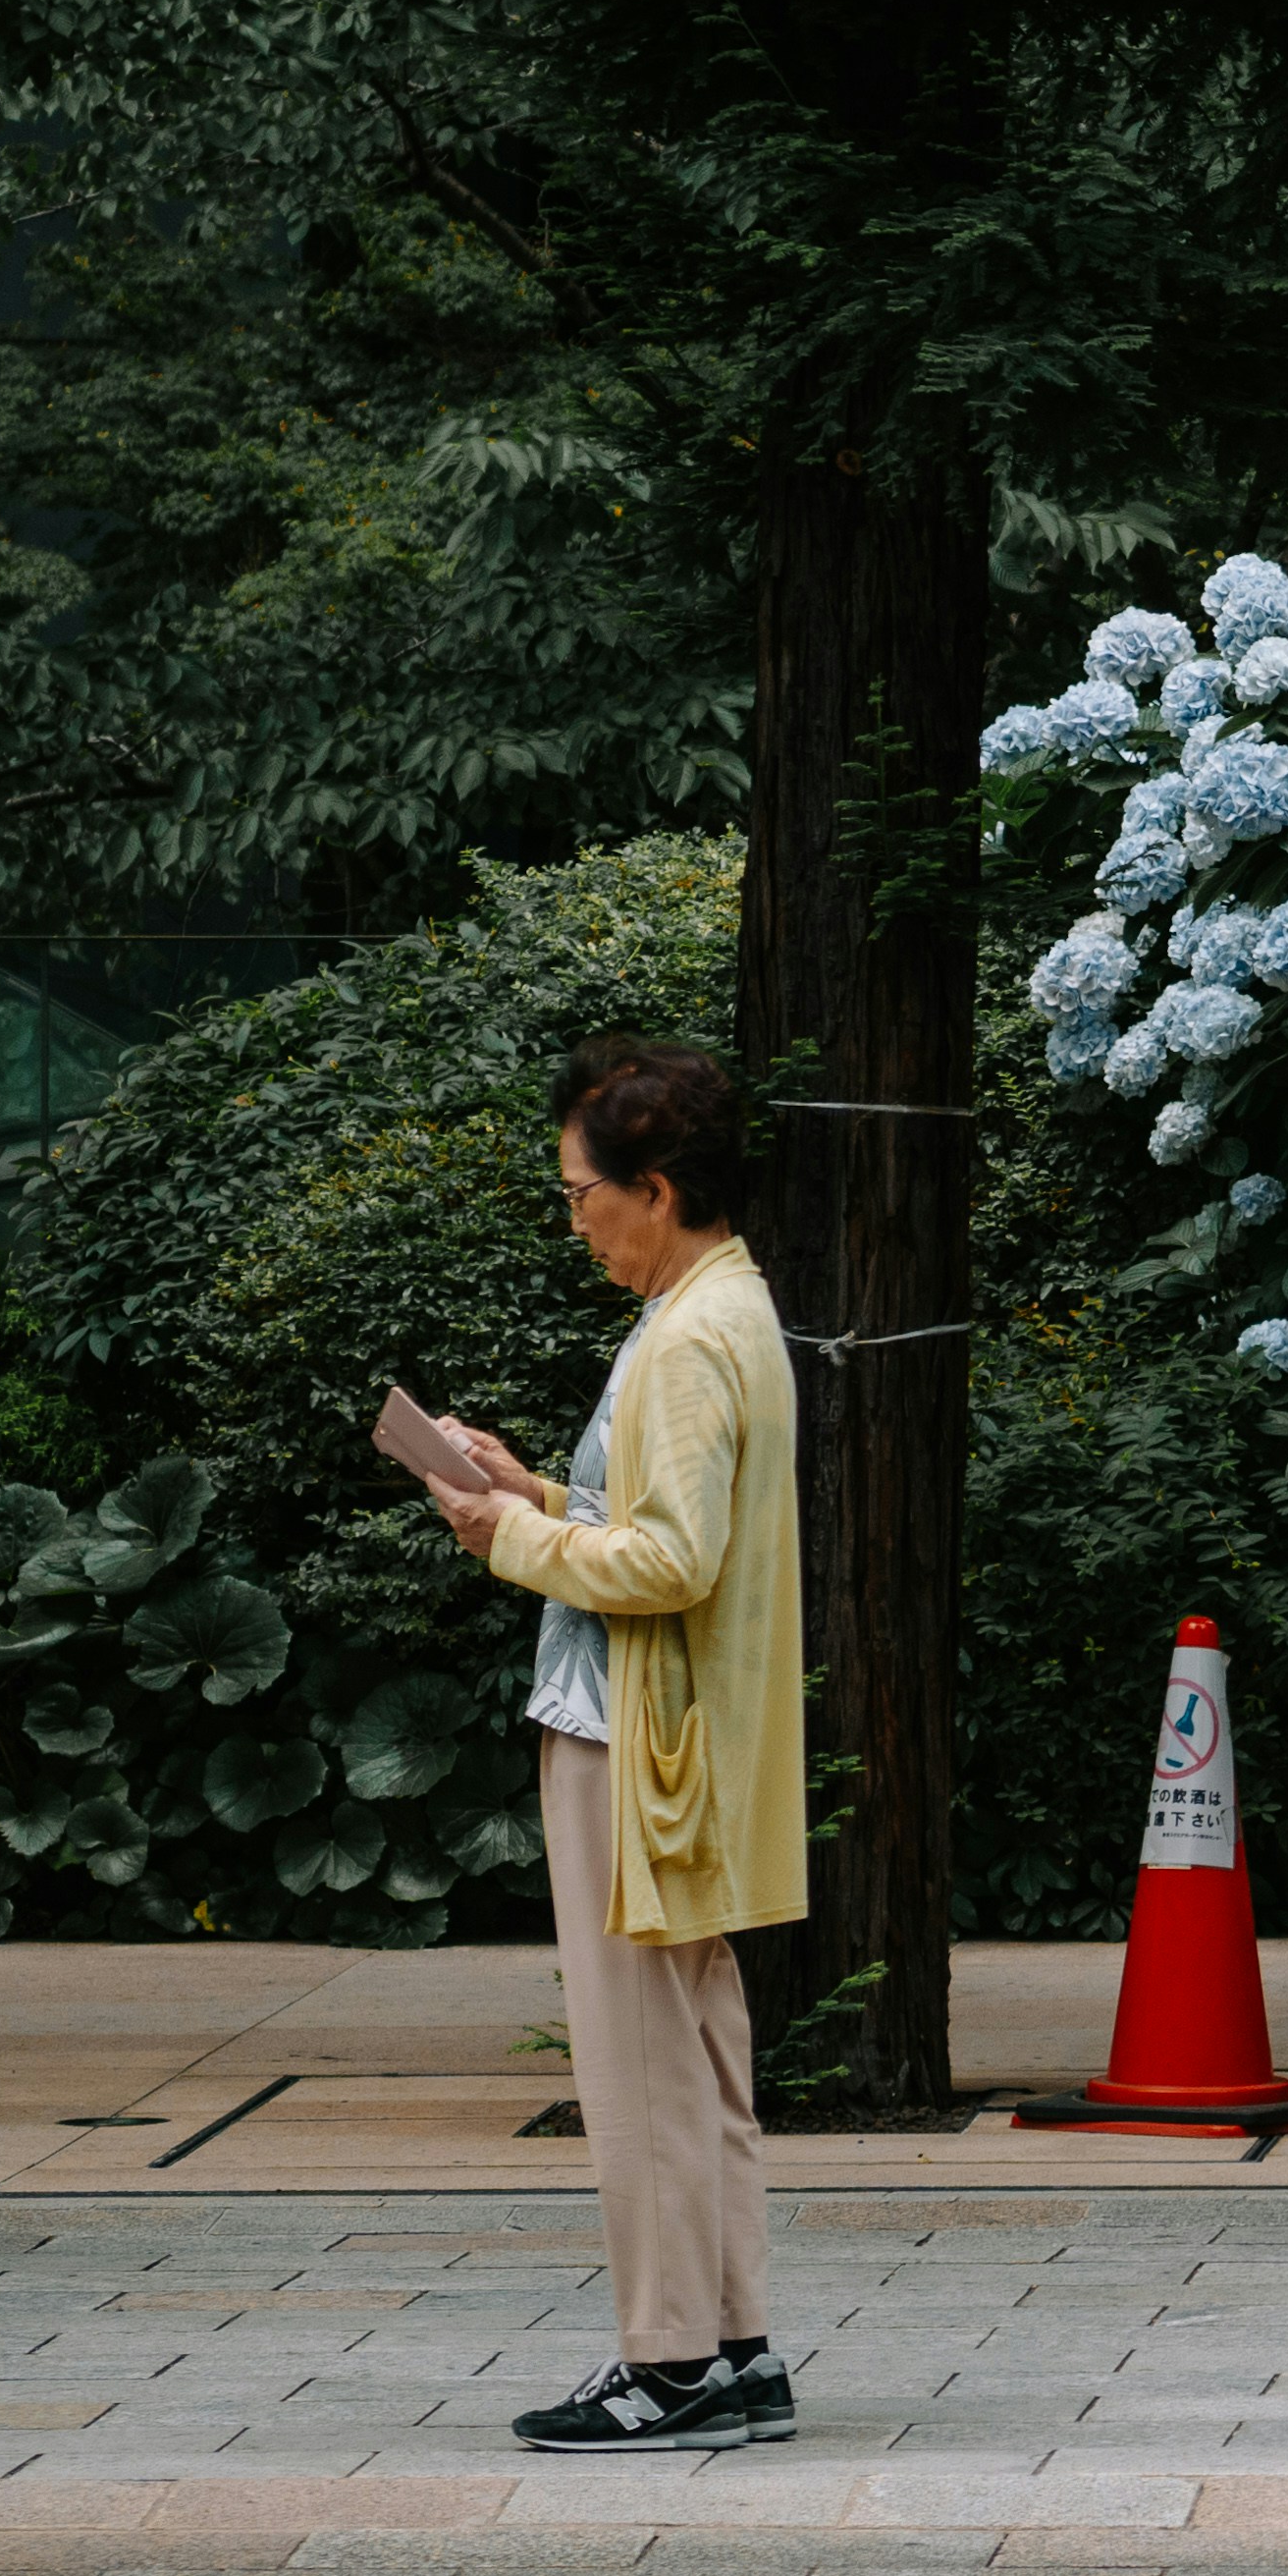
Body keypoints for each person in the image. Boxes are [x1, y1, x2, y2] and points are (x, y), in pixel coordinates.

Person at [421, 1034, 807, 2453]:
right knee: (696, 2052)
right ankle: (732, 2347)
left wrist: (510, 1533)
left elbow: (673, 1560)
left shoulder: (695, 1332)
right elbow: (654, 1526)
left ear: (654, 1187)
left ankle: (672, 2360)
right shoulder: (719, 1306)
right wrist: (531, 1488)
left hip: (633, 1737)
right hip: (663, 1727)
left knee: (640, 2060)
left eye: (581, 1190)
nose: (572, 1214)